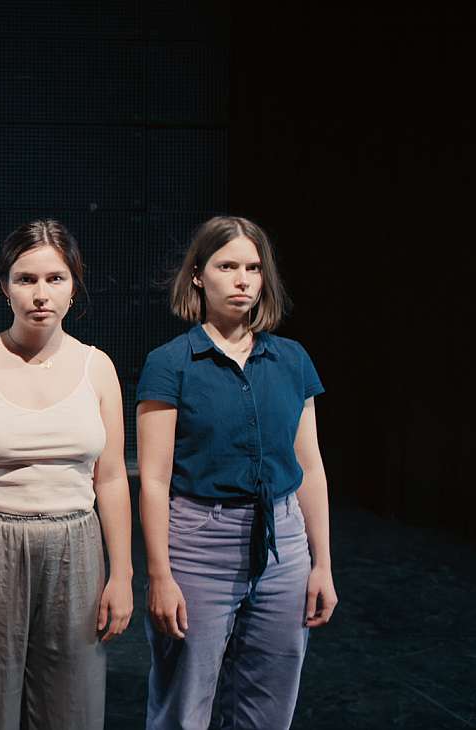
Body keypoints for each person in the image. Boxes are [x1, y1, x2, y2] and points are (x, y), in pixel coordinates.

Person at [0, 220, 133, 729]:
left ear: (73, 286)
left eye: (55, 278)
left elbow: (110, 478)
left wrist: (123, 574)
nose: (41, 294)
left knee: (72, 708)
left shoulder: (97, 367)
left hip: (75, 547)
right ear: (5, 286)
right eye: (26, 279)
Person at [138, 215, 337, 729]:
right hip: (200, 543)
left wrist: (322, 563)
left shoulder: (291, 360)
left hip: (283, 542)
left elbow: (309, 467)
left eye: (253, 267)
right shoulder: (171, 363)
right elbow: (154, 480)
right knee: (184, 704)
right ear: (198, 275)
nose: (243, 279)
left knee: (269, 706)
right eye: (227, 266)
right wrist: (159, 575)